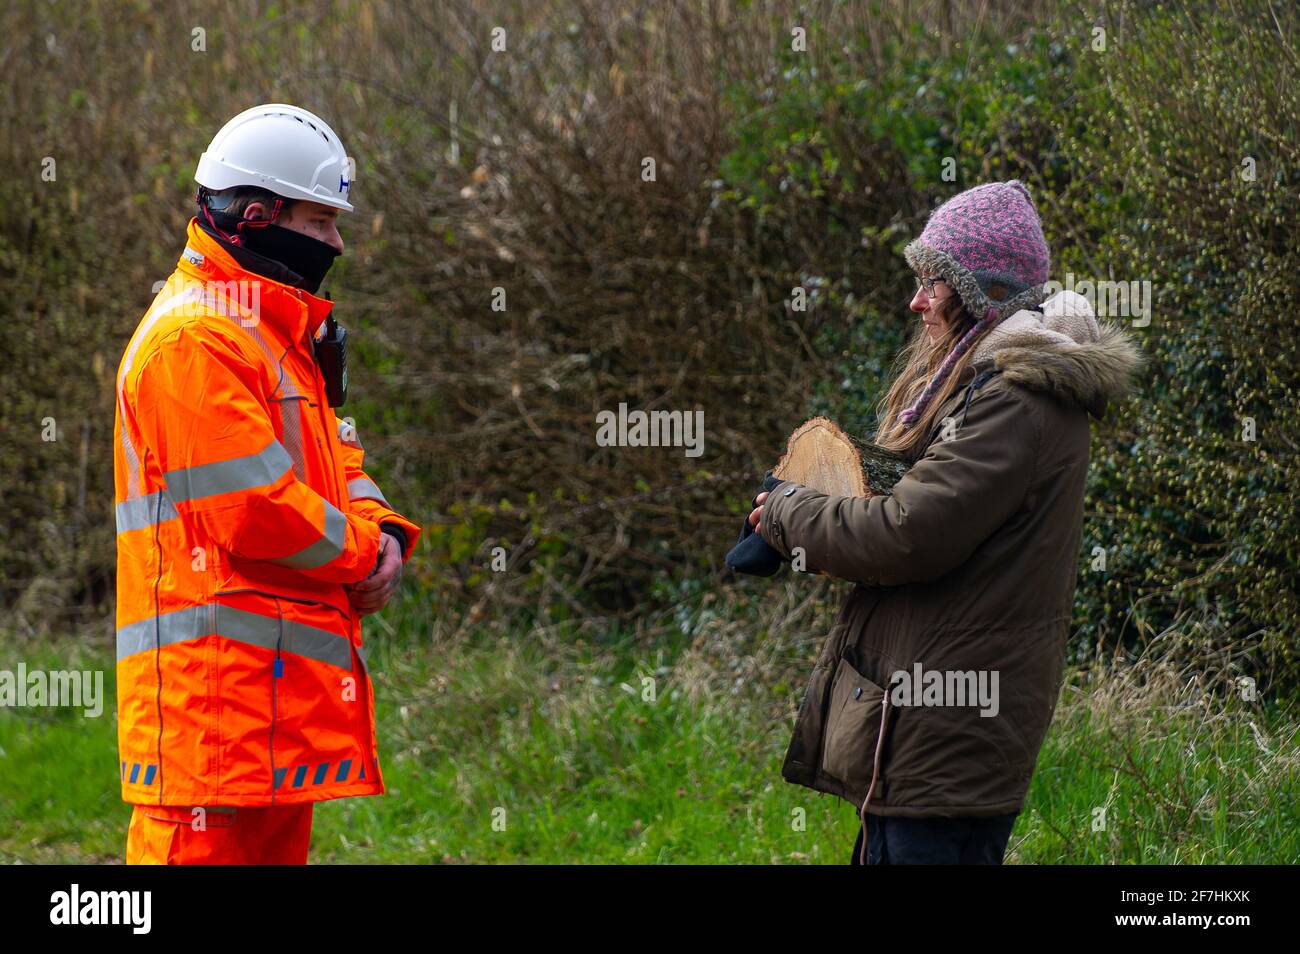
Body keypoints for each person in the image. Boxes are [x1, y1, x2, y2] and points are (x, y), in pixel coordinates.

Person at [748, 180, 1143, 864]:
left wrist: (785, 510)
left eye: (933, 282)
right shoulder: (995, 390)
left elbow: (905, 535)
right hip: (931, 736)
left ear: (980, 292)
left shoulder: (1016, 402)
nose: (916, 300)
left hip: (945, 738)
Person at [113, 104, 421, 864]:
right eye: (323, 222)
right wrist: (362, 552)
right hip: (215, 722)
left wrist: (380, 527)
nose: (337, 244)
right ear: (260, 215)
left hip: (268, 724)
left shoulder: (276, 333)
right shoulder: (194, 341)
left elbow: (335, 454)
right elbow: (253, 513)